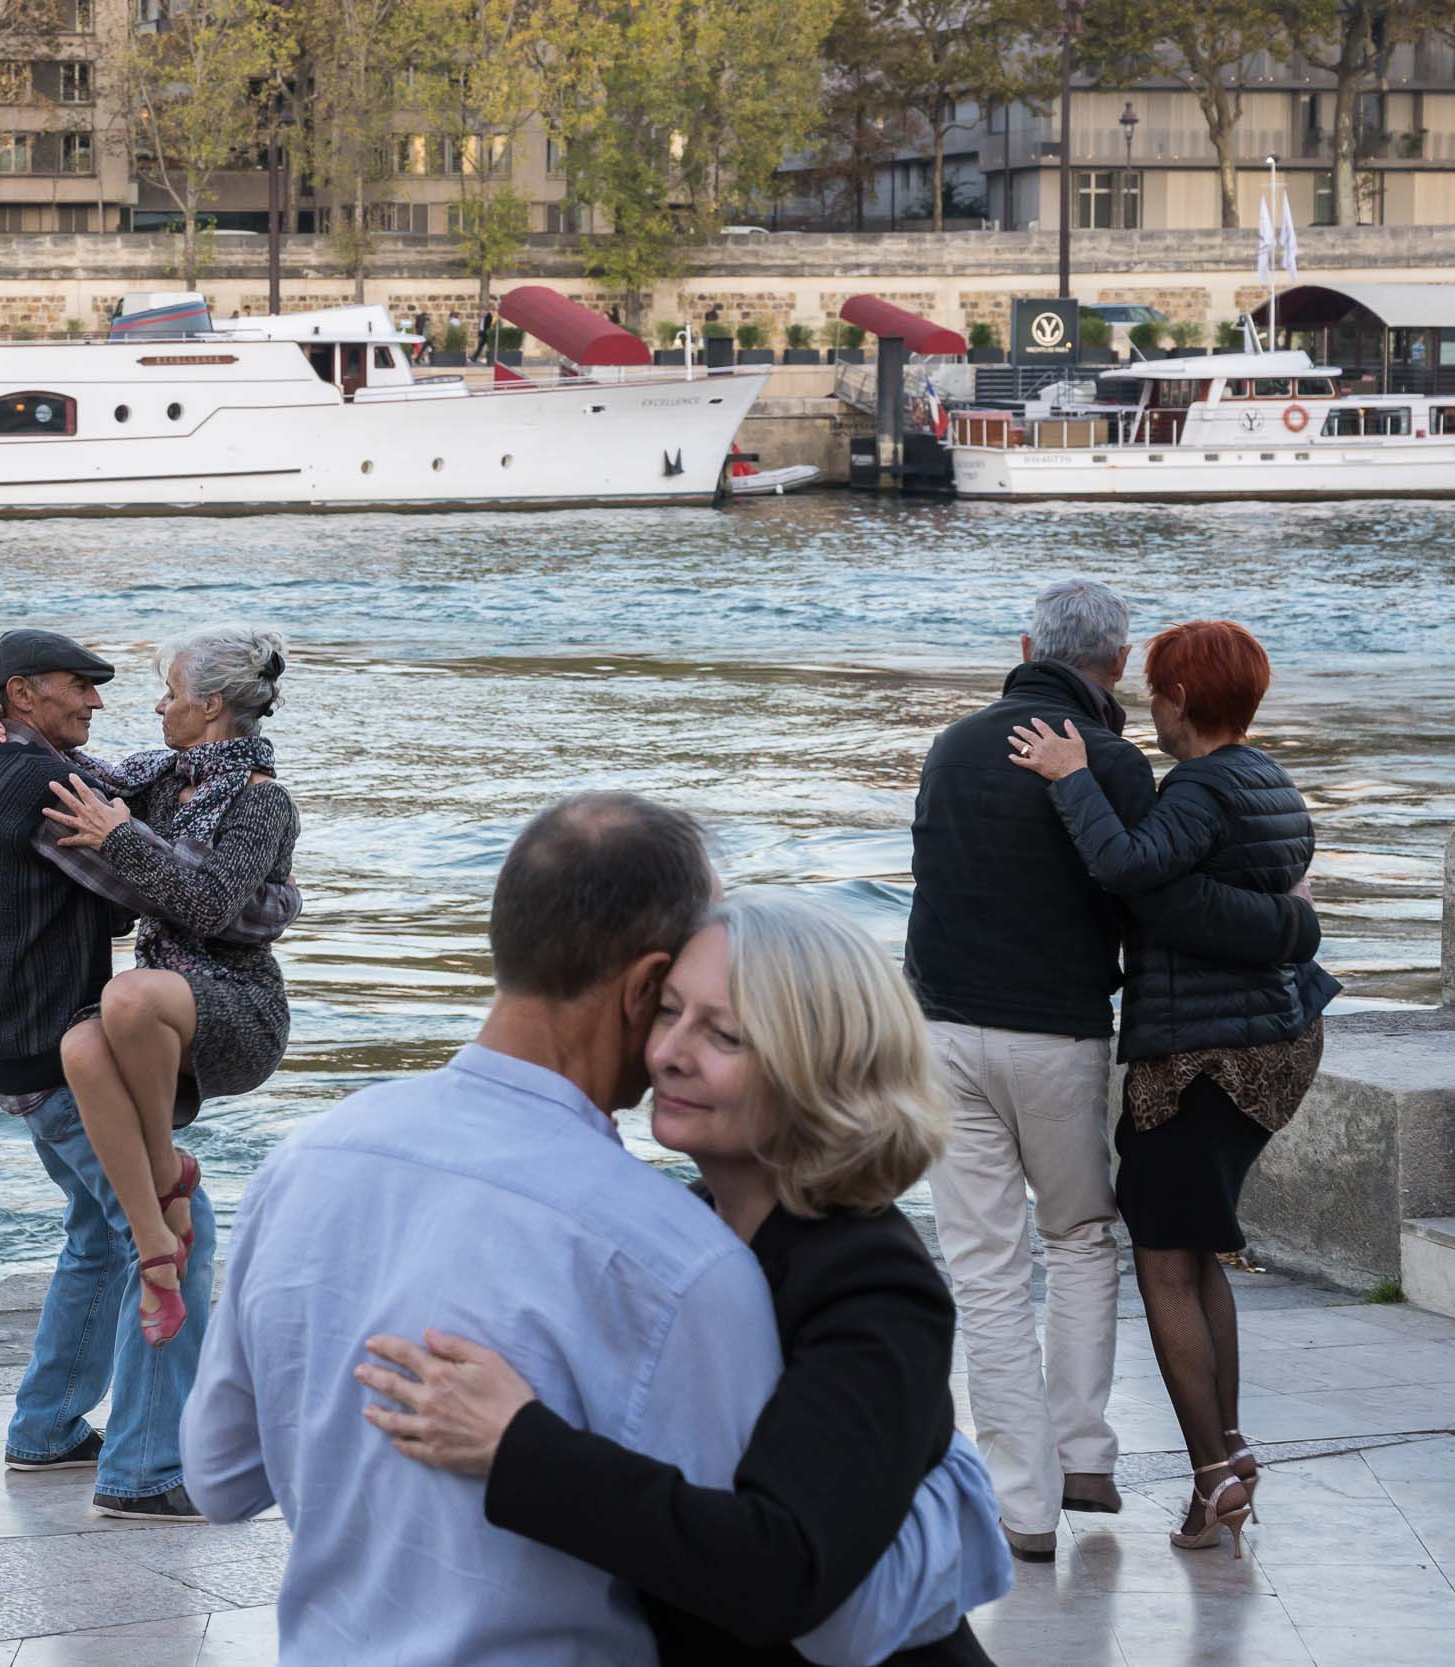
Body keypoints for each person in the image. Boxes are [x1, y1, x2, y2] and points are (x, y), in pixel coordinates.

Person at [182, 793, 783, 1665]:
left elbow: (218, 1477)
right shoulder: (677, 1261)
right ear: (648, 986)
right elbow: (744, 1586)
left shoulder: (305, 1160)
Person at [354, 893, 1011, 1666]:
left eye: (724, 1033)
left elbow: (783, 1566)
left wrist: (517, 1446)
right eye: (668, 1012)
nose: (668, 1052)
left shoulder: (872, 1279)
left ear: (823, 1064)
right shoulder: (683, 1221)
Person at [903, 579, 1318, 1562]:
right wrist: (1291, 923)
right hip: (1061, 1036)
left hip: (945, 1033)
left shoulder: (953, 746)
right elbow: (1151, 898)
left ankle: (1024, 1506)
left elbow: (929, 881)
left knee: (987, 1272)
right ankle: (1085, 1452)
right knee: (1084, 1237)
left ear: (1023, 642)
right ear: (1121, 665)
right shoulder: (1121, 762)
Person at [0, 629, 292, 1524]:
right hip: (61, 1042)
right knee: (181, 1228)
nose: (98, 700)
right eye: (78, 685)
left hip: (11, 1041)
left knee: (101, 1228)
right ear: (22, 693)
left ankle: (47, 1426)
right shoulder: (47, 786)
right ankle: (144, 1466)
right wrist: (279, 904)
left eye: (109, 686)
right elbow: (164, 891)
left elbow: (151, 841)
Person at [1008, 618, 1337, 1561]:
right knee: (1196, 1257)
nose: (1150, 703)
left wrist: (1072, 778)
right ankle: (1227, 1458)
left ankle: (1213, 1472)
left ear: (1181, 700)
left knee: (1162, 1263)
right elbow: (1240, 893)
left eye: (1156, 689)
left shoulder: (1197, 785)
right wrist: (1285, 925)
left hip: (1201, 1058)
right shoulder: (1267, 777)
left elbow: (1126, 867)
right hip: (1263, 1045)